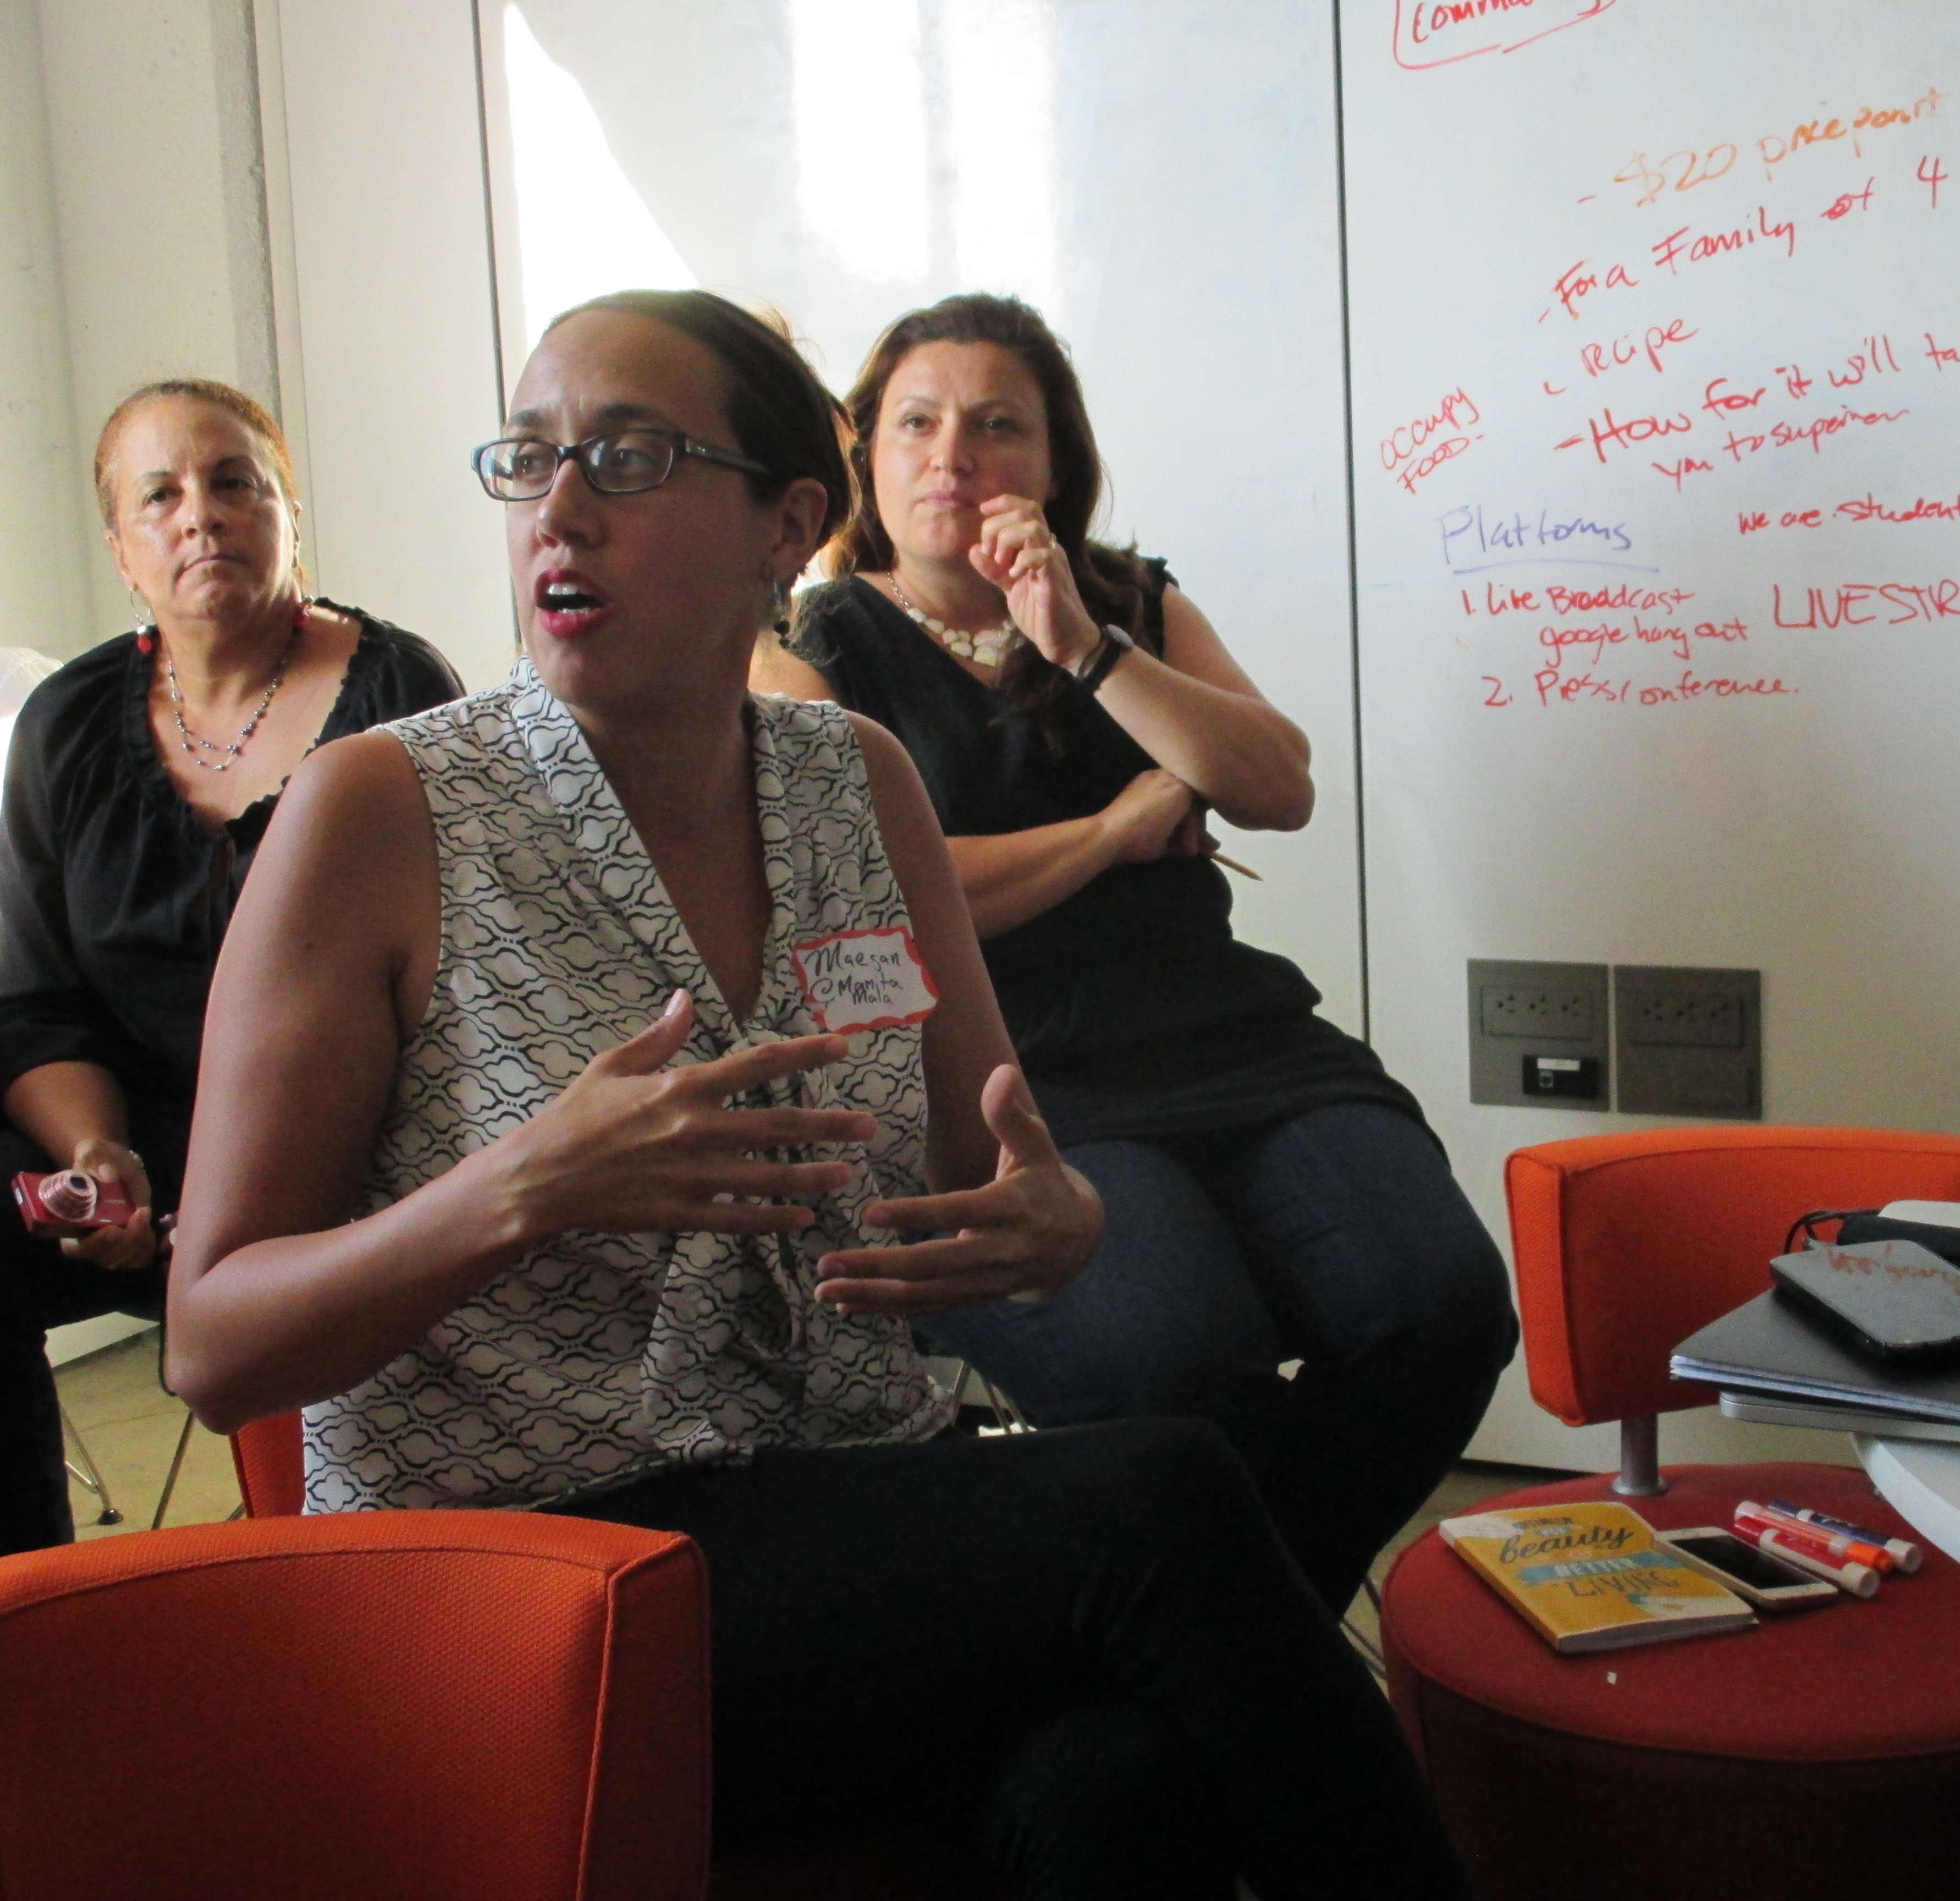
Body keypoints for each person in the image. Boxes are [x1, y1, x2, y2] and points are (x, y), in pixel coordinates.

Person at [163, 289, 1469, 1899]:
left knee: (1121, 1782)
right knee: (1163, 1504)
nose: (560, 509)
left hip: (834, 1495)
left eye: (629, 458)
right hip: (526, 1574)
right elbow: (213, 1346)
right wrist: (525, 1187)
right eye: (530, 457)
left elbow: (996, 1170)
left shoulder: (854, 783)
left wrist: (1054, 1224)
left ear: (786, 525)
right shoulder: (383, 811)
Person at [772, 292, 1518, 1614]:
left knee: (1445, 1306)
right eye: (918, 425)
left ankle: (1244, 1639)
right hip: (1015, 1080)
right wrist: (1116, 829)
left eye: (999, 426)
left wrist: (1085, 646)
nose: (954, 457)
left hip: (1235, 1042)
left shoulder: (1124, 601)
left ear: (1055, 462)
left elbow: (1276, 784)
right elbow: (885, 895)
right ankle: (1257, 1656)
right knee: (1177, 1363)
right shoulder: (807, 647)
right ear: (865, 459)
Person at [0, 378, 461, 1558]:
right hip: (140, 1151)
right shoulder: (64, 724)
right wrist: (95, 1156)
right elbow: (38, 1004)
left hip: (350, 1149)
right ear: (120, 550)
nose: (200, 514)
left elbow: (452, 994)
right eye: (158, 495)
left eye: (233, 482)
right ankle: (31, 1601)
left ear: (289, 512)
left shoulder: (403, 697)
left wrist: (257, 1174)